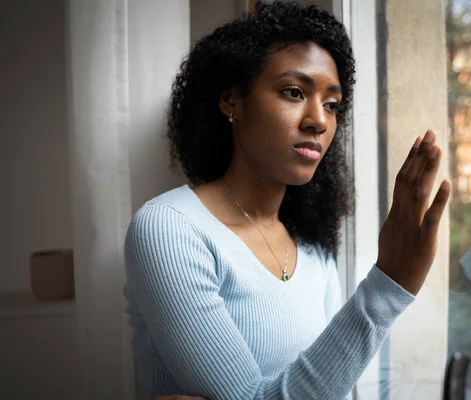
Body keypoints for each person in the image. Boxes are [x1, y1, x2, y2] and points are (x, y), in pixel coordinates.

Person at [123, 1, 450, 399]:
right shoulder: (169, 227)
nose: (320, 120)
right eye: (294, 92)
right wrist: (389, 284)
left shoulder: (311, 246)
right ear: (231, 100)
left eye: (332, 104)